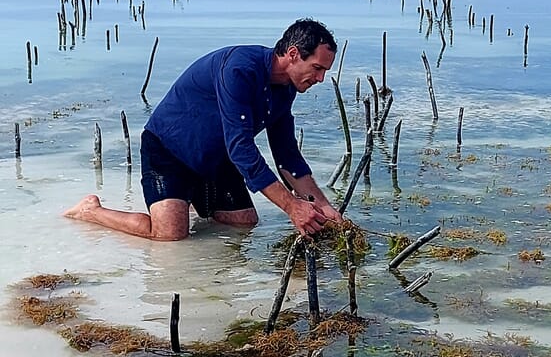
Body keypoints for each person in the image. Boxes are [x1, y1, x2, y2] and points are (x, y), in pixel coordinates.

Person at [65, 18, 343, 240]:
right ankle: (91, 211)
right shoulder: (240, 69)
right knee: (169, 236)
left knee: (243, 224)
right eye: (317, 68)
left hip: (215, 158)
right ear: (293, 54)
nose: (320, 78)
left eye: (324, 71)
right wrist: (291, 207)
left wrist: (322, 206)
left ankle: (192, 205)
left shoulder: (286, 88)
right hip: (170, 151)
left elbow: (287, 155)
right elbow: (241, 147)